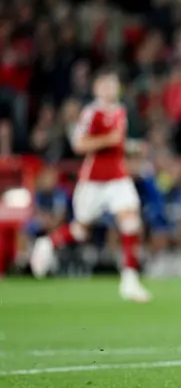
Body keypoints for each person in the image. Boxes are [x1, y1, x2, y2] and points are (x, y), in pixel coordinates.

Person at [30, 68, 151, 303]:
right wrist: (109, 140)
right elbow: (79, 144)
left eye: (114, 84)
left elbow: (118, 145)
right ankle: (46, 243)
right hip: (93, 181)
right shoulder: (91, 113)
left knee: (131, 221)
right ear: (97, 89)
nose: (111, 89)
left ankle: (130, 280)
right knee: (80, 230)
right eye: (106, 85)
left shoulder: (120, 111)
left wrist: (134, 147)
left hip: (118, 178)